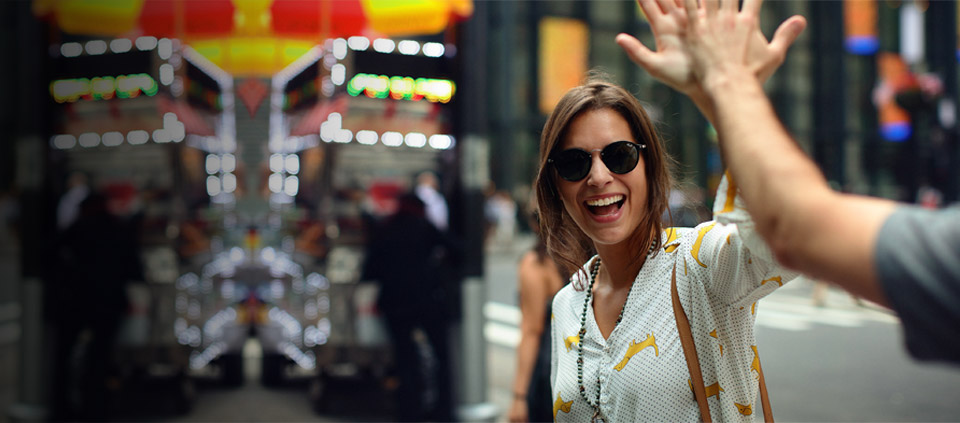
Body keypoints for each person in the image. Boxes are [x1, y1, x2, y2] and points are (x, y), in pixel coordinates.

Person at [616, 0, 959, 363]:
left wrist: (724, 79)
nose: (598, 176)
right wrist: (724, 81)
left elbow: (794, 231)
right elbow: (793, 229)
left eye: (619, 156)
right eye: (573, 162)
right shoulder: (568, 302)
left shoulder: (694, 258)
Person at [362, 192, 456, 422]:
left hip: (395, 303)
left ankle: (409, 410)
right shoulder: (424, 226)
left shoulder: (386, 228)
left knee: (405, 358)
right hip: (427, 300)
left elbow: (369, 270)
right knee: (441, 356)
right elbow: (456, 249)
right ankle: (443, 409)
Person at [508, 204, 567, 423]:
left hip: (549, 373)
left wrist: (519, 396)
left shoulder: (536, 263)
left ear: (535, 225)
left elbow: (532, 331)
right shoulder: (593, 255)